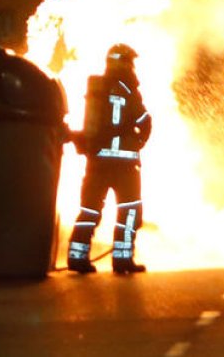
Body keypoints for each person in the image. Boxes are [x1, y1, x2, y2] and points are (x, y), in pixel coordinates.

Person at [68, 43, 153, 275]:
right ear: (125, 62)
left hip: (97, 162)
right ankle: (122, 260)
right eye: (130, 61)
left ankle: (77, 256)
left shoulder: (98, 88)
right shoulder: (129, 89)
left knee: (90, 210)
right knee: (129, 211)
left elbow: (92, 127)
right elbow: (145, 120)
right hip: (124, 165)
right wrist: (139, 142)